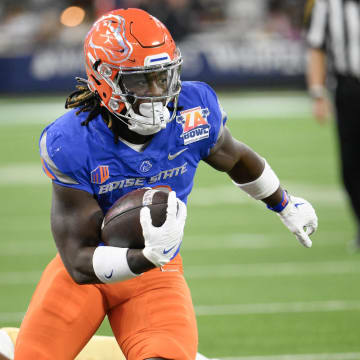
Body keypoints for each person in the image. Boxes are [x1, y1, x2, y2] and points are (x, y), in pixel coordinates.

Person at [14, 8, 318, 360]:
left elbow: (235, 157)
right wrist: (144, 256)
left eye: (163, 76)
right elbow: (78, 261)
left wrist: (283, 203)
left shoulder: (193, 111)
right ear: (104, 78)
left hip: (157, 275)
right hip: (93, 270)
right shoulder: (72, 140)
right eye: (141, 81)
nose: (157, 91)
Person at [306, 0, 360, 249]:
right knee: (351, 165)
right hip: (350, 89)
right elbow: (317, 46)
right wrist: (317, 93)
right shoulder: (328, 4)